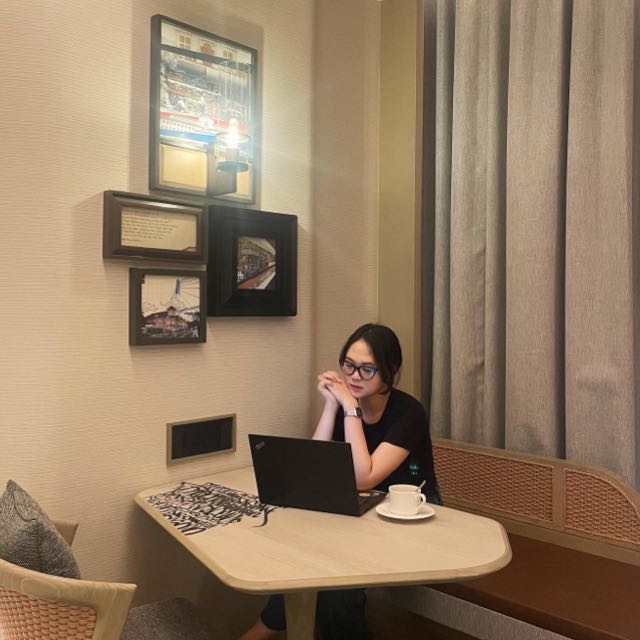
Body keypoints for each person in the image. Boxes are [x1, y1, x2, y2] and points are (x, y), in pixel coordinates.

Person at [239, 323, 441, 640]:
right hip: (362, 510)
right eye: (348, 365)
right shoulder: (346, 405)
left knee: (336, 581)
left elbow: (364, 477)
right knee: (304, 553)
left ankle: (263, 631)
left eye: (367, 369)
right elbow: (313, 467)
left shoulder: (409, 412)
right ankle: (266, 628)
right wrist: (332, 406)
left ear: (390, 371)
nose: (354, 376)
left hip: (409, 514)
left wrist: (349, 408)